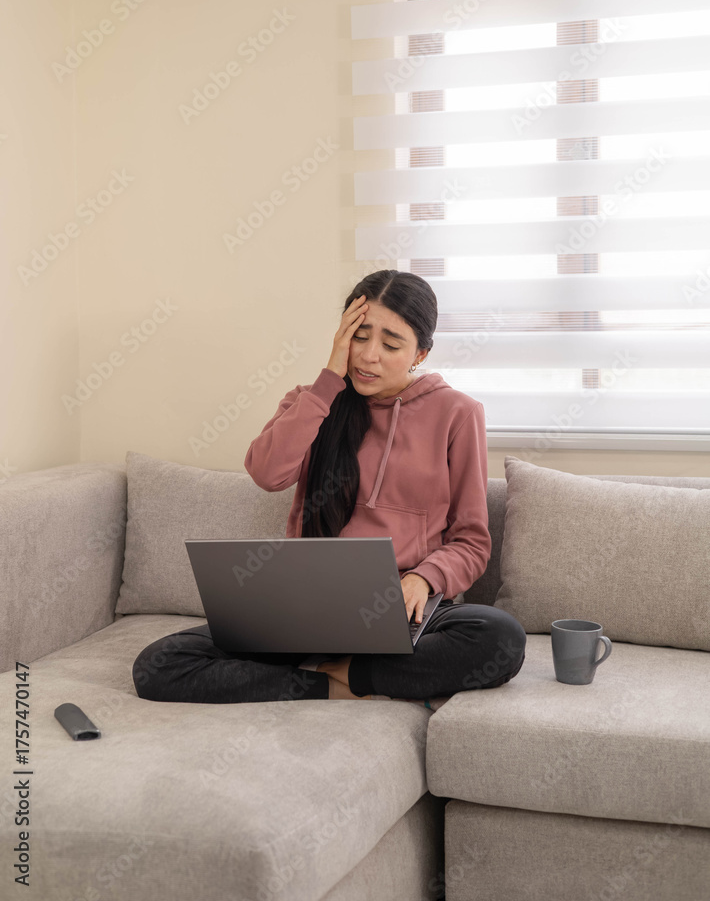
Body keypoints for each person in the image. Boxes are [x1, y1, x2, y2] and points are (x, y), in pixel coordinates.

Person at [132, 270, 526, 709]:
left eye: (391, 344)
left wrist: (423, 578)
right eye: (359, 336)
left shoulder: (458, 413)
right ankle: (340, 683)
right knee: (159, 665)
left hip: (403, 610)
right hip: (307, 607)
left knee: (501, 638)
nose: (369, 356)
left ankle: (345, 673)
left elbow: (471, 541)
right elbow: (267, 473)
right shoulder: (311, 401)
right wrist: (328, 383)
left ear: (420, 353)